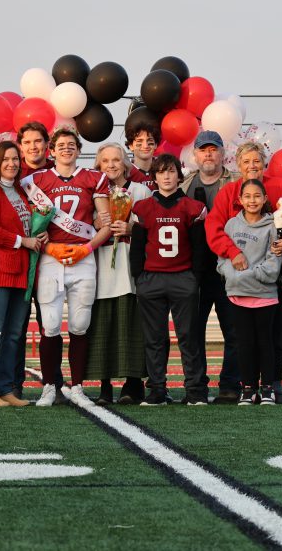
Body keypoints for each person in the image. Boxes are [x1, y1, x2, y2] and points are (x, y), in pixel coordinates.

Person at [205, 141, 282, 404]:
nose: (252, 166)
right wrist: (234, 253)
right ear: (237, 165)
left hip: (273, 277)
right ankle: (241, 385)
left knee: (275, 334)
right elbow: (215, 229)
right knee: (240, 337)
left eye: (256, 160)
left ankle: (272, 383)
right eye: (246, 162)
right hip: (241, 277)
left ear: (264, 163)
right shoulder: (229, 192)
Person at [21, 127, 111, 407]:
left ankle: (79, 387)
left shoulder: (94, 178)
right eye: (61, 145)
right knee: (49, 325)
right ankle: (50, 386)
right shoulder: (36, 180)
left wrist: (86, 248)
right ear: (52, 149)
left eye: (71, 145)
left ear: (78, 149)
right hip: (50, 258)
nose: (66, 149)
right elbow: (28, 225)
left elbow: (106, 224)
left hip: (83, 258)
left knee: (80, 325)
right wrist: (48, 247)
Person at [0, 141, 48, 408]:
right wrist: (22, 242)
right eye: (6, 159)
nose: (12, 163)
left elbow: (24, 226)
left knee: (14, 334)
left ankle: (6, 389)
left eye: (16, 159)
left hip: (19, 271)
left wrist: (37, 234)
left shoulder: (19, 191)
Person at [130, 153, 208, 406]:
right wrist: (139, 277)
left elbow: (199, 248)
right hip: (151, 278)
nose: (166, 176)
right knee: (154, 338)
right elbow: (138, 248)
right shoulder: (142, 208)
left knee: (188, 336)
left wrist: (193, 278)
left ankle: (195, 390)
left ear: (179, 174)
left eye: (171, 171)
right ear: (154, 176)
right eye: (161, 171)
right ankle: (157, 390)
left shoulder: (192, 207)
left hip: (182, 277)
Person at [85, 142, 151, 405]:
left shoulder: (140, 190)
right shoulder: (91, 192)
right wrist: (94, 223)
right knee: (104, 327)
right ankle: (104, 385)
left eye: (116, 160)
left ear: (125, 163)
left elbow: (152, 227)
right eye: (105, 161)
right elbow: (80, 225)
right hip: (101, 266)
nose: (111, 165)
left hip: (129, 265)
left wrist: (132, 228)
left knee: (132, 327)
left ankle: (133, 384)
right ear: (98, 165)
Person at [180, 130, 242, 404]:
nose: (208, 154)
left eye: (213, 149)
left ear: (222, 153)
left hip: (229, 268)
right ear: (195, 154)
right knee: (193, 332)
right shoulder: (184, 185)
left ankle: (230, 385)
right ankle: (197, 388)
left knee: (233, 330)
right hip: (195, 271)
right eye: (203, 149)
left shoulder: (238, 183)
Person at [217, 179, 282, 405]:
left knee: (265, 343)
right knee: (244, 344)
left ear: (265, 199)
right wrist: (234, 276)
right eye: (247, 196)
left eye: (257, 196)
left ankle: (267, 388)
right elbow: (222, 261)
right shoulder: (231, 226)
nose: (252, 200)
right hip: (237, 295)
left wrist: (244, 275)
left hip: (264, 296)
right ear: (240, 200)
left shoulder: (274, 226)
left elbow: (273, 266)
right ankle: (247, 388)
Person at [11, 121, 64, 400]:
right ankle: (13, 385)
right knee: (17, 328)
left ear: (47, 144)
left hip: (52, 260)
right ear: (21, 146)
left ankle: (56, 384)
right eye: (28, 142)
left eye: (38, 141)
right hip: (21, 260)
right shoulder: (13, 172)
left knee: (51, 325)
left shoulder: (59, 171)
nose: (33, 147)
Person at [125, 120, 159, 190]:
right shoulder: (124, 172)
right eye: (139, 141)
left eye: (150, 141)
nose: (145, 146)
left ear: (156, 145)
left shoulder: (165, 168)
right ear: (131, 145)